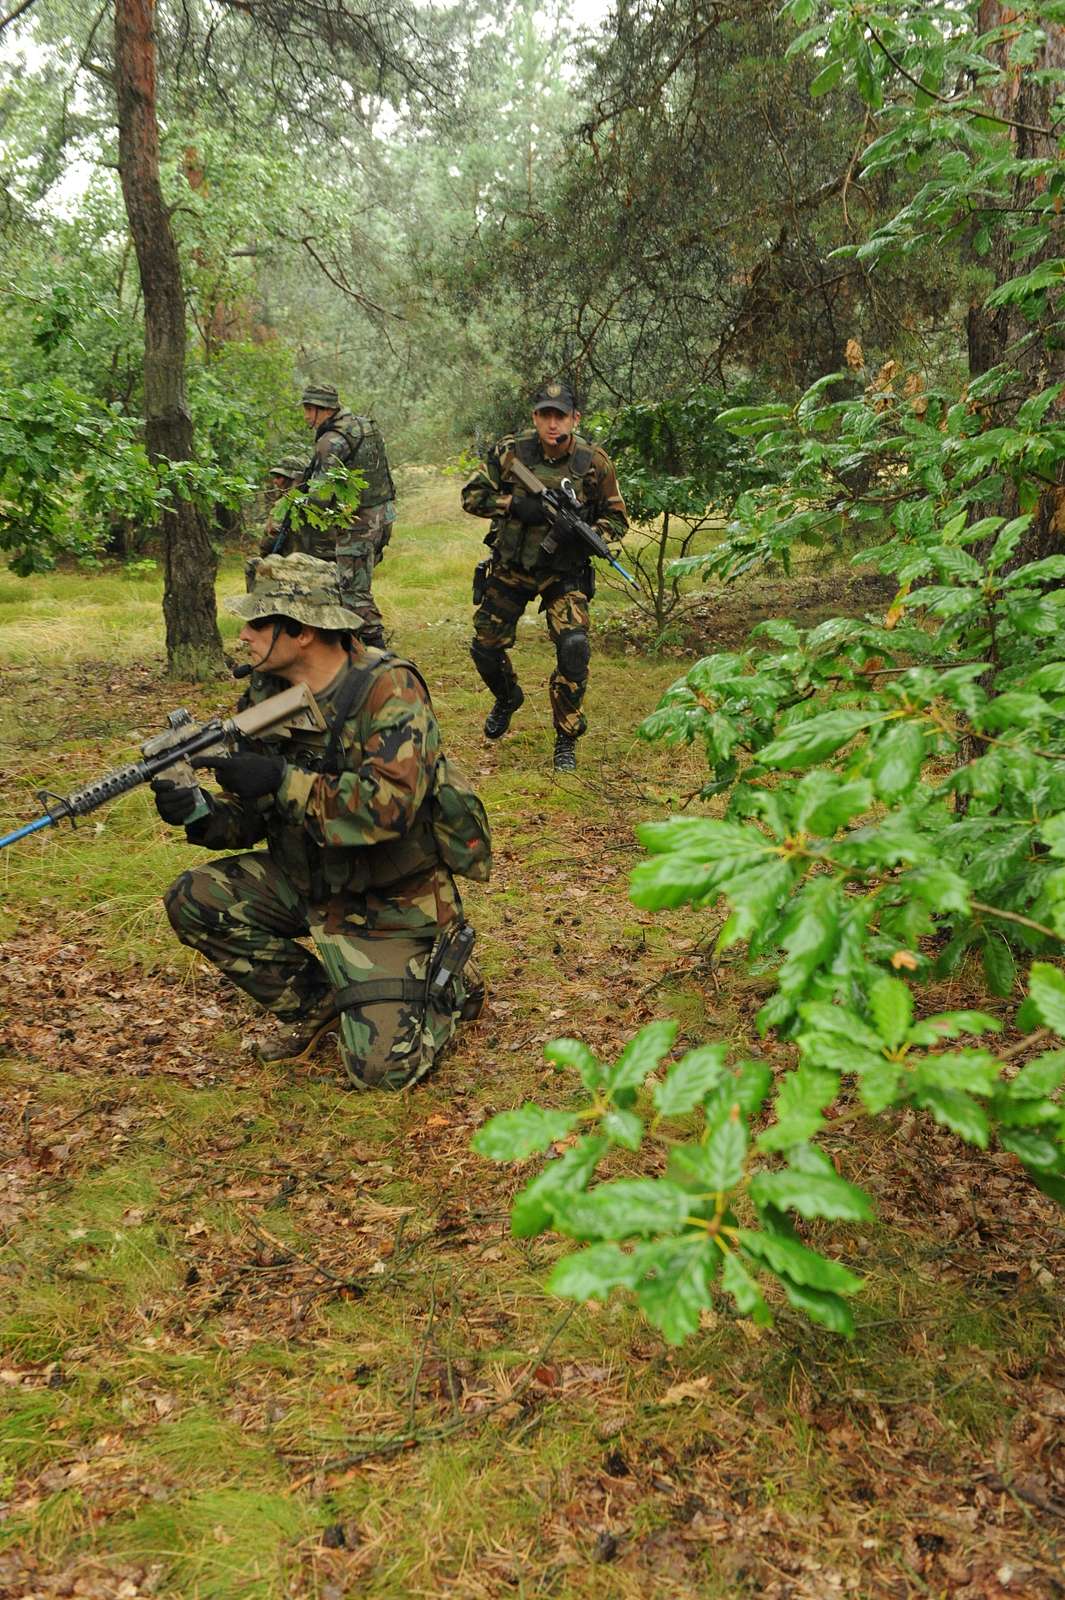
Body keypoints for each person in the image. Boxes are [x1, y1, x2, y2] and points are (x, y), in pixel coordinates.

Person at [154, 553, 484, 1091]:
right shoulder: (267, 693)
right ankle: (319, 1004)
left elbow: (392, 807)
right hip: (308, 878)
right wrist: (199, 812)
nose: (243, 635)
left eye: (258, 622)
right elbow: (251, 818)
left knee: (381, 1074)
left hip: (391, 898)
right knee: (196, 898)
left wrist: (281, 781)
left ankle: (447, 983)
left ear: (302, 631)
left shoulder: (388, 689)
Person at [461, 380, 629, 771]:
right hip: (512, 567)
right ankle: (507, 697)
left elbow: (617, 518)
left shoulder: (593, 462)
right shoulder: (510, 453)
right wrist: (514, 505)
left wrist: (590, 537)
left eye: (561, 416)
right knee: (485, 647)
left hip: (563, 573)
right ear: (535, 418)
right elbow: (471, 497)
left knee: (574, 648)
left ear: (575, 418)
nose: (553, 424)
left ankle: (566, 738)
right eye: (545, 415)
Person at [301, 382, 396, 650]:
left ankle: (379, 654)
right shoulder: (364, 426)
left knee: (353, 592)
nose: (306, 416)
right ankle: (354, 650)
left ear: (324, 410)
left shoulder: (331, 440)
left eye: (309, 410)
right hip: (383, 515)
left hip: (358, 523)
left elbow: (319, 498)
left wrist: (299, 500)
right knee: (354, 585)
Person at [259, 452, 309, 557]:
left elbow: (269, 540)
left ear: (294, 479)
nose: (275, 481)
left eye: (279, 477)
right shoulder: (313, 499)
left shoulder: (287, 504)